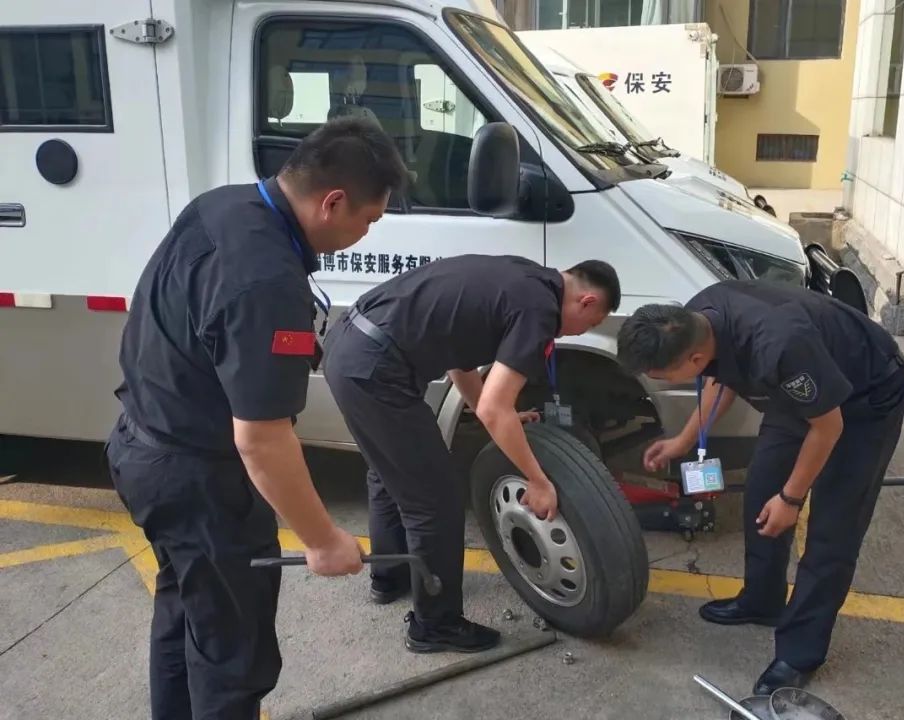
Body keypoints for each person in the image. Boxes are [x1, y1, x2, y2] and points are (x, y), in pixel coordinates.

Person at [103, 117, 409, 719]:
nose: (365, 235)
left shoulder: (224, 205)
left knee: (188, 612)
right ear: (332, 202)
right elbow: (262, 440)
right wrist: (323, 540)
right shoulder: (268, 281)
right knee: (232, 655)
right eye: (369, 221)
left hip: (142, 446)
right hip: (199, 482)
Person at [616, 280, 904, 695]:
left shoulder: (778, 344)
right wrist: (684, 440)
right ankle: (762, 600)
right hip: (803, 390)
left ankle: (799, 653)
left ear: (693, 357)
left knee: (833, 531)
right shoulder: (697, 317)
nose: (661, 382)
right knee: (761, 492)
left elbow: (828, 427)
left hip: (867, 395)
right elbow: (721, 378)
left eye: (662, 377)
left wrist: (791, 498)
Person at [322, 255, 621, 653]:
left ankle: (390, 576)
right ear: (586, 301)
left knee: (391, 472)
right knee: (436, 500)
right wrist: (537, 479)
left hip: (351, 346)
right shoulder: (540, 310)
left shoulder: (521, 278)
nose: (580, 332)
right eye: (591, 323)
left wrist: (491, 409)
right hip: (376, 367)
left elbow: (460, 364)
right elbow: (495, 408)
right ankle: (435, 625)